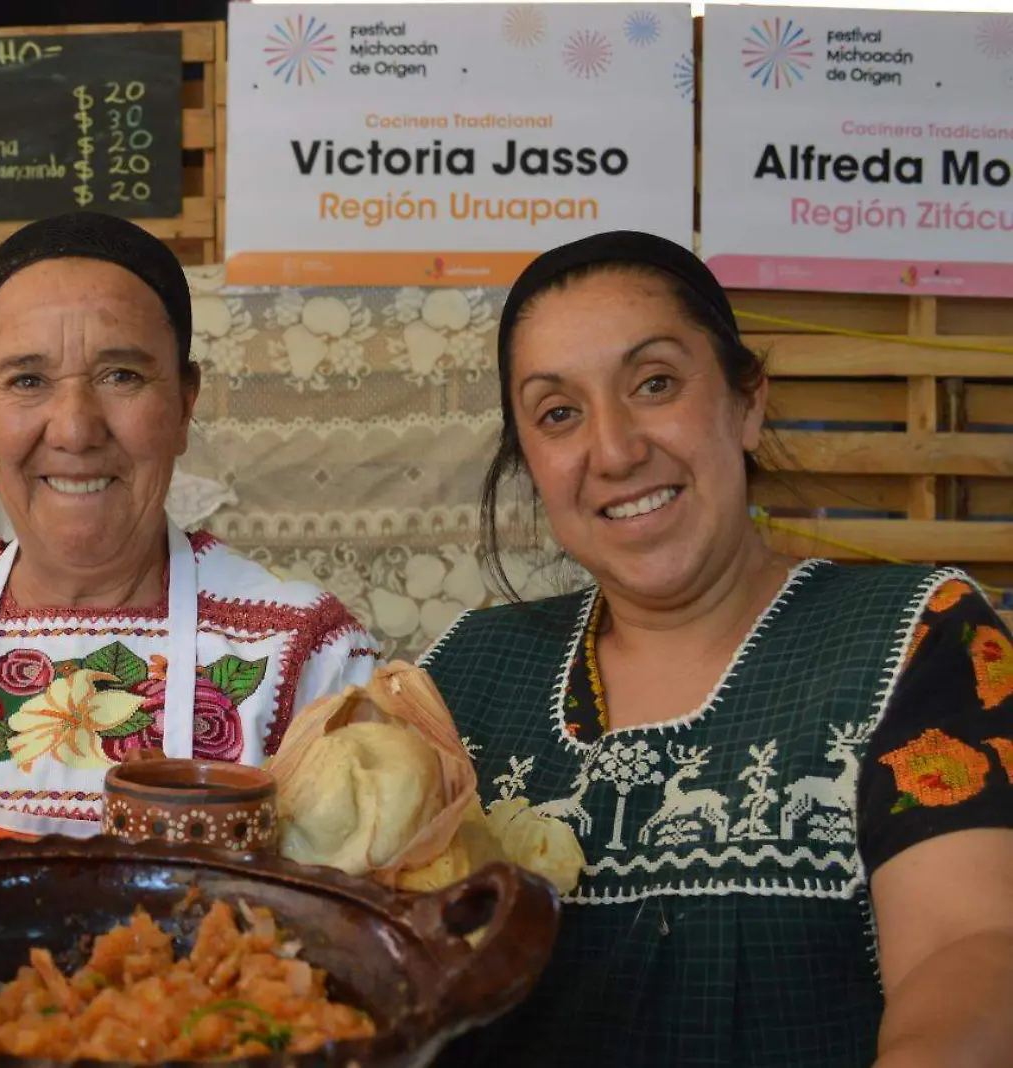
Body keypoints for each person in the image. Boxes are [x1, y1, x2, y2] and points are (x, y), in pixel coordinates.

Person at [421, 231, 1013, 1067]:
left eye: (655, 383)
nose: (618, 450)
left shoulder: (917, 634)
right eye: (560, 413)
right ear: (533, 464)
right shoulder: (462, 676)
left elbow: (974, 949)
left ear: (747, 403)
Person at [0, 212, 379, 861]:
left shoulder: (310, 657)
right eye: (28, 381)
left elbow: (358, 926)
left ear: (183, 403)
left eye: (121, 375)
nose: (74, 429)